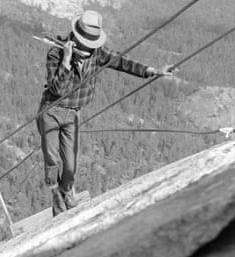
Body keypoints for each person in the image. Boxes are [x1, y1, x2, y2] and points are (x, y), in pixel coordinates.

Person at [37, 10, 173, 216]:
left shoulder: (96, 53)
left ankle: (66, 190)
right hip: (51, 111)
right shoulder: (56, 53)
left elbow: (122, 62)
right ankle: (56, 195)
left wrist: (151, 71)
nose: (88, 47)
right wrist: (66, 60)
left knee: (70, 165)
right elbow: (56, 90)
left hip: (73, 112)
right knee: (52, 159)